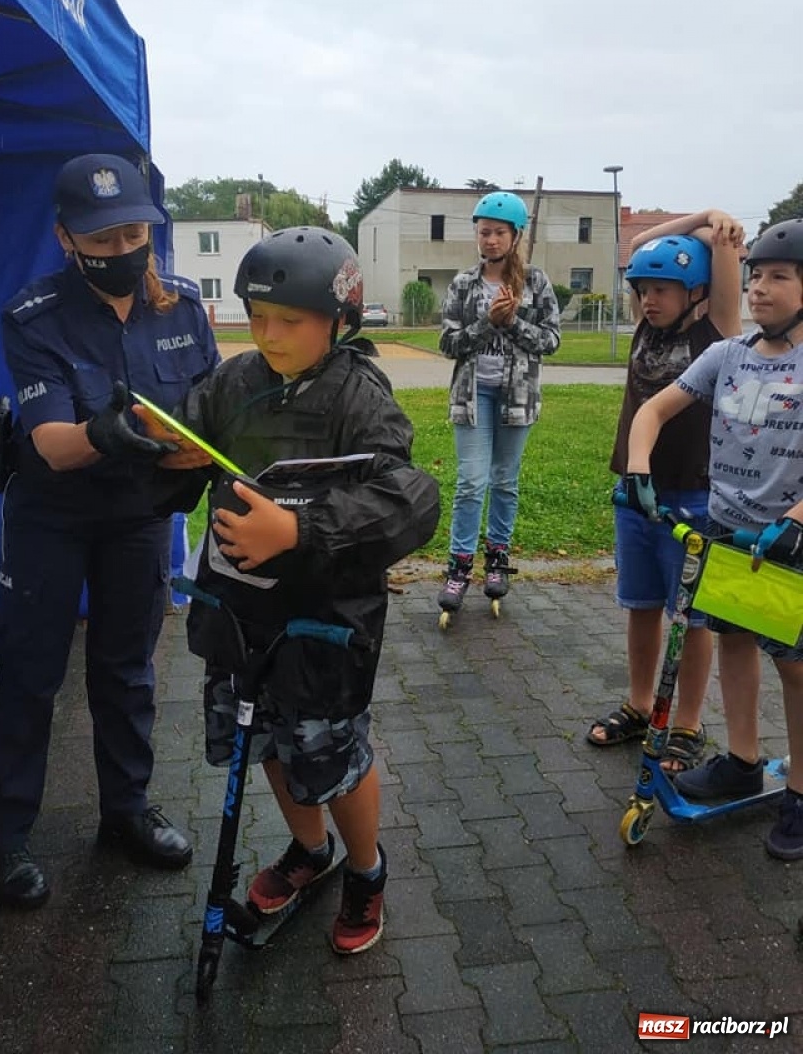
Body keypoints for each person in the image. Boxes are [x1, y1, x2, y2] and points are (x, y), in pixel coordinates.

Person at [137, 226, 440, 953]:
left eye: (289, 322)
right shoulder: (233, 381)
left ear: (340, 319)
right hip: (241, 612)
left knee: (330, 758)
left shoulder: (358, 393)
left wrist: (300, 533)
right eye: (257, 316)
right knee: (263, 741)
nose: (268, 334)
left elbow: (410, 499)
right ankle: (310, 852)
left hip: (323, 623)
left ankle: (366, 870)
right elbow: (182, 468)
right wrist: (166, 457)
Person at [0, 153, 220, 908]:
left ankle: (126, 812)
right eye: (100, 240)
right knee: (28, 672)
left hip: (138, 519)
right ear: (64, 237)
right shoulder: (32, 315)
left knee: (127, 670)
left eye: (133, 233)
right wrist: (104, 435)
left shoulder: (180, 304)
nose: (120, 252)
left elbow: (209, 402)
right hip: (52, 518)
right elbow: (47, 444)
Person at [625, 217, 803, 860]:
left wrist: (796, 519)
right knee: (732, 644)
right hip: (725, 528)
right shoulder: (728, 355)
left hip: (787, 538)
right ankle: (743, 759)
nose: (759, 288)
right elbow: (653, 410)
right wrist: (640, 469)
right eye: (755, 275)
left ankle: (801, 795)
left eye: (778, 277)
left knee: (795, 667)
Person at [587, 210, 744, 772]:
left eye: (662, 290)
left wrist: (713, 230)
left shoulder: (718, 330)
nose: (649, 299)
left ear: (696, 292)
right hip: (635, 490)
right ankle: (638, 703)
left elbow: (722, 251)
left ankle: (686, 724)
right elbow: (641, 243)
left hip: (694, 492)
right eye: (643, 290)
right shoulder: (645, 325)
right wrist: (696, 218)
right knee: (642, 605)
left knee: (693, 617)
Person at [437, 191, 560, 614]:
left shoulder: (536, 283)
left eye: (498, 233)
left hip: (517, 399)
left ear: (515, 236)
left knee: (504, 481)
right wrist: (487, 323)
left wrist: (514, 323)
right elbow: (449, 343)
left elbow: (551, 340)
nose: (489, 240)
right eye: (484, 231)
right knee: (472, 482)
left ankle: (497, 560)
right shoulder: (463, 284)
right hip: (473, 398)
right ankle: (459, 567)